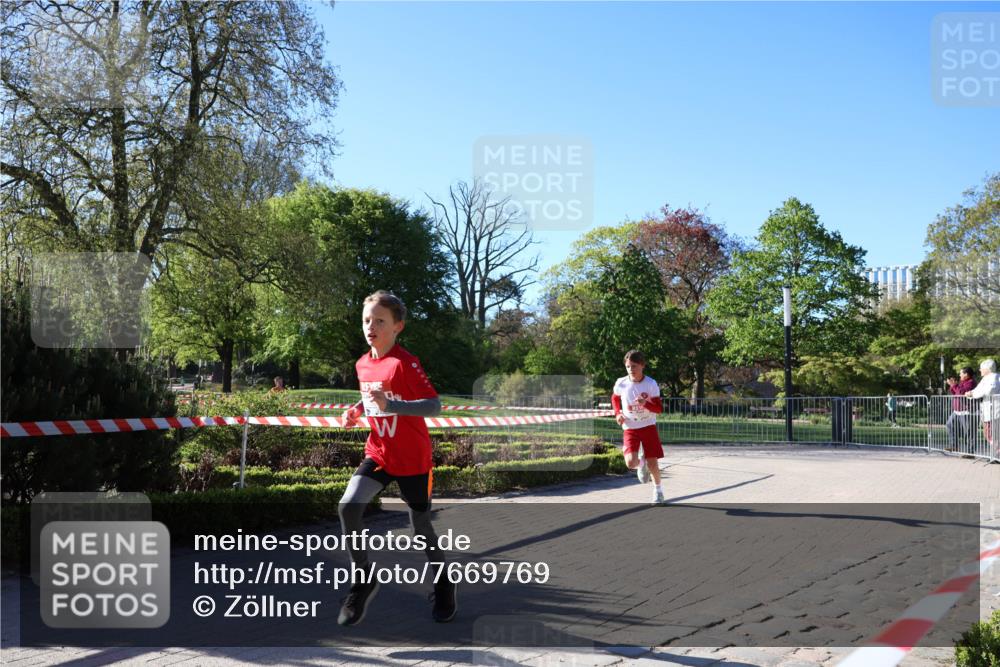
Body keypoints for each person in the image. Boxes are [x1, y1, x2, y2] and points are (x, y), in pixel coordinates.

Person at [336, 291, 454, 626]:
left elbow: (433, 405)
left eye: (379, 321)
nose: (371, 327)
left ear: (397, 327)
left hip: (413, 460)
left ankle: (444, 585)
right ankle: (363, 580)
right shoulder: (362, 363)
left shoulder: (405, 363)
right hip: (380, 453)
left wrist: (393, 406)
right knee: (348, 506)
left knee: (421, 527)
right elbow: (370, 398)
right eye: (367, 320)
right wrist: (356, 410)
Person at [612, 350, 666, 505]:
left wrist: (646, 404)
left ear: (642, 365)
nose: (631, 370)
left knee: (653, 463)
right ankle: (641, 464)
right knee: (630, 463)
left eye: (634, 366)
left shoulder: (650, 384)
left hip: (648, 425)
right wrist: (618, 413)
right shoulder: (621, 383)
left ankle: (658, 491)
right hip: (630, 426)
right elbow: (615, 398)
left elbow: (659, 409)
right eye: (628, 367)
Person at [965, 359, 1000, 459]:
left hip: (994, 411)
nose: (980, 370)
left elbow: (989, 390)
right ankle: (996, 455)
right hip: (989, 411)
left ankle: (997, 455)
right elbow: (978, 389)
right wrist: (971, 393)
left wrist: (972, 394)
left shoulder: (994, 377)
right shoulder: (986, 378)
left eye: (981, 368)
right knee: (991, 434)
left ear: (987, 369)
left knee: (991, 434)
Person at [945, 368, 976, 451]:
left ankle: (970, 452)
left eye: (961, 373)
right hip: (957, 412)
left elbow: (962, 393)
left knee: (969, 432)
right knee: (949, 425)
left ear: (966, 374)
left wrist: (954, 385)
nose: (959, 375)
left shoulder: (971, 382)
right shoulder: (962, 382)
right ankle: (954, 446)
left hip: (966, 412)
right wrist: (952, 385)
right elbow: (955, 392)